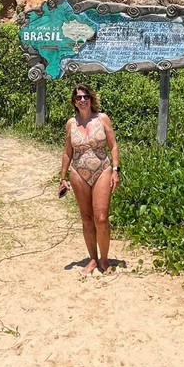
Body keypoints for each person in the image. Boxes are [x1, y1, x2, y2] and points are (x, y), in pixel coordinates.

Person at [60, 83, 120, 273]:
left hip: (102, 169)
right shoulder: (71, 123)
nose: (82, 100)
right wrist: (62, 178)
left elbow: (113, 146)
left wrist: (116, 170)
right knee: (86, 218)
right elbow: (67, 152)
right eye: (78, 98)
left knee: (101, 218)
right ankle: (92, 258)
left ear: (91, 99)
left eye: (85, 96)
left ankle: (104, 259)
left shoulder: (102, 119)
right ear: (74, 102)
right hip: (78, 173)